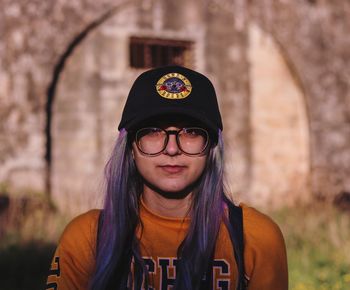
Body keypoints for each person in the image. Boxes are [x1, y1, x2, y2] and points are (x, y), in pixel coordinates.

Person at [46, 66, 288, 290]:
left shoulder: (255, 239)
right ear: (130, 146)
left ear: (211, 147)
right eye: (152, 131)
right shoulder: (86, 238)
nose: (172, 149)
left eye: (191, 132)